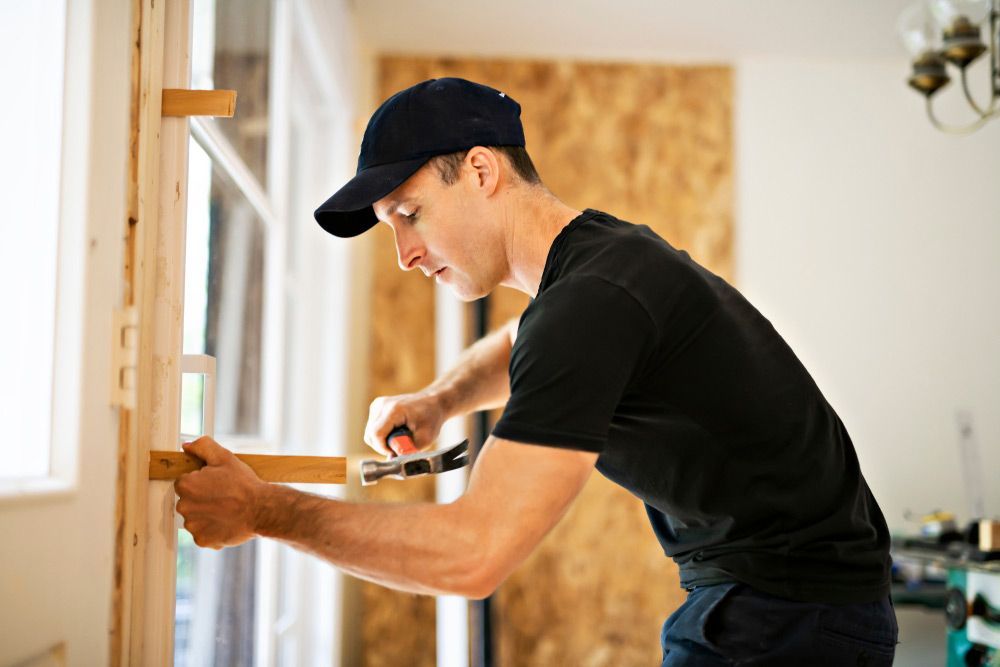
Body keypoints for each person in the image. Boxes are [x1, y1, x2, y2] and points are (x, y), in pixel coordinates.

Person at [174, 77, 899, 665]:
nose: (404, 254)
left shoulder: (590, 303)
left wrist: (263, 510)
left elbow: (473, 555)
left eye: (410, 213)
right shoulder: (599, 261)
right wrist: (440, 400)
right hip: (799, 603)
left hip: (784, 617)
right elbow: (518, 341)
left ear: (481, 171)